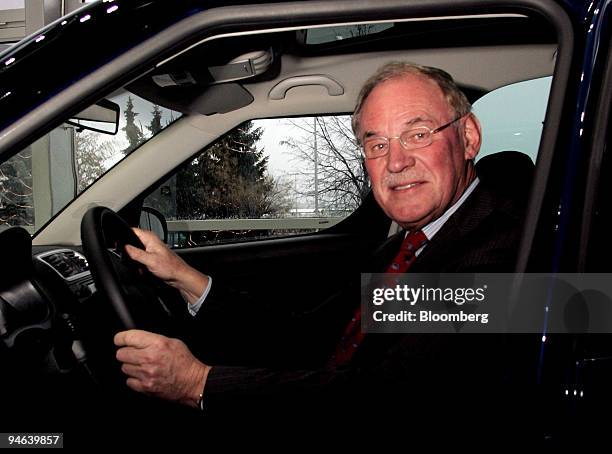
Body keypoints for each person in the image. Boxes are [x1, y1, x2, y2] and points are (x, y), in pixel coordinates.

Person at [113, 62, 532, 420]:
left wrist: (197, 383)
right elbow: (308, 336)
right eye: (377, 144)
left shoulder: (512, 252)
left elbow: (389, 400)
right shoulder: (412, 247)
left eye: (418, 134)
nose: (397, 161)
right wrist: (184, 277)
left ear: (469, 138)